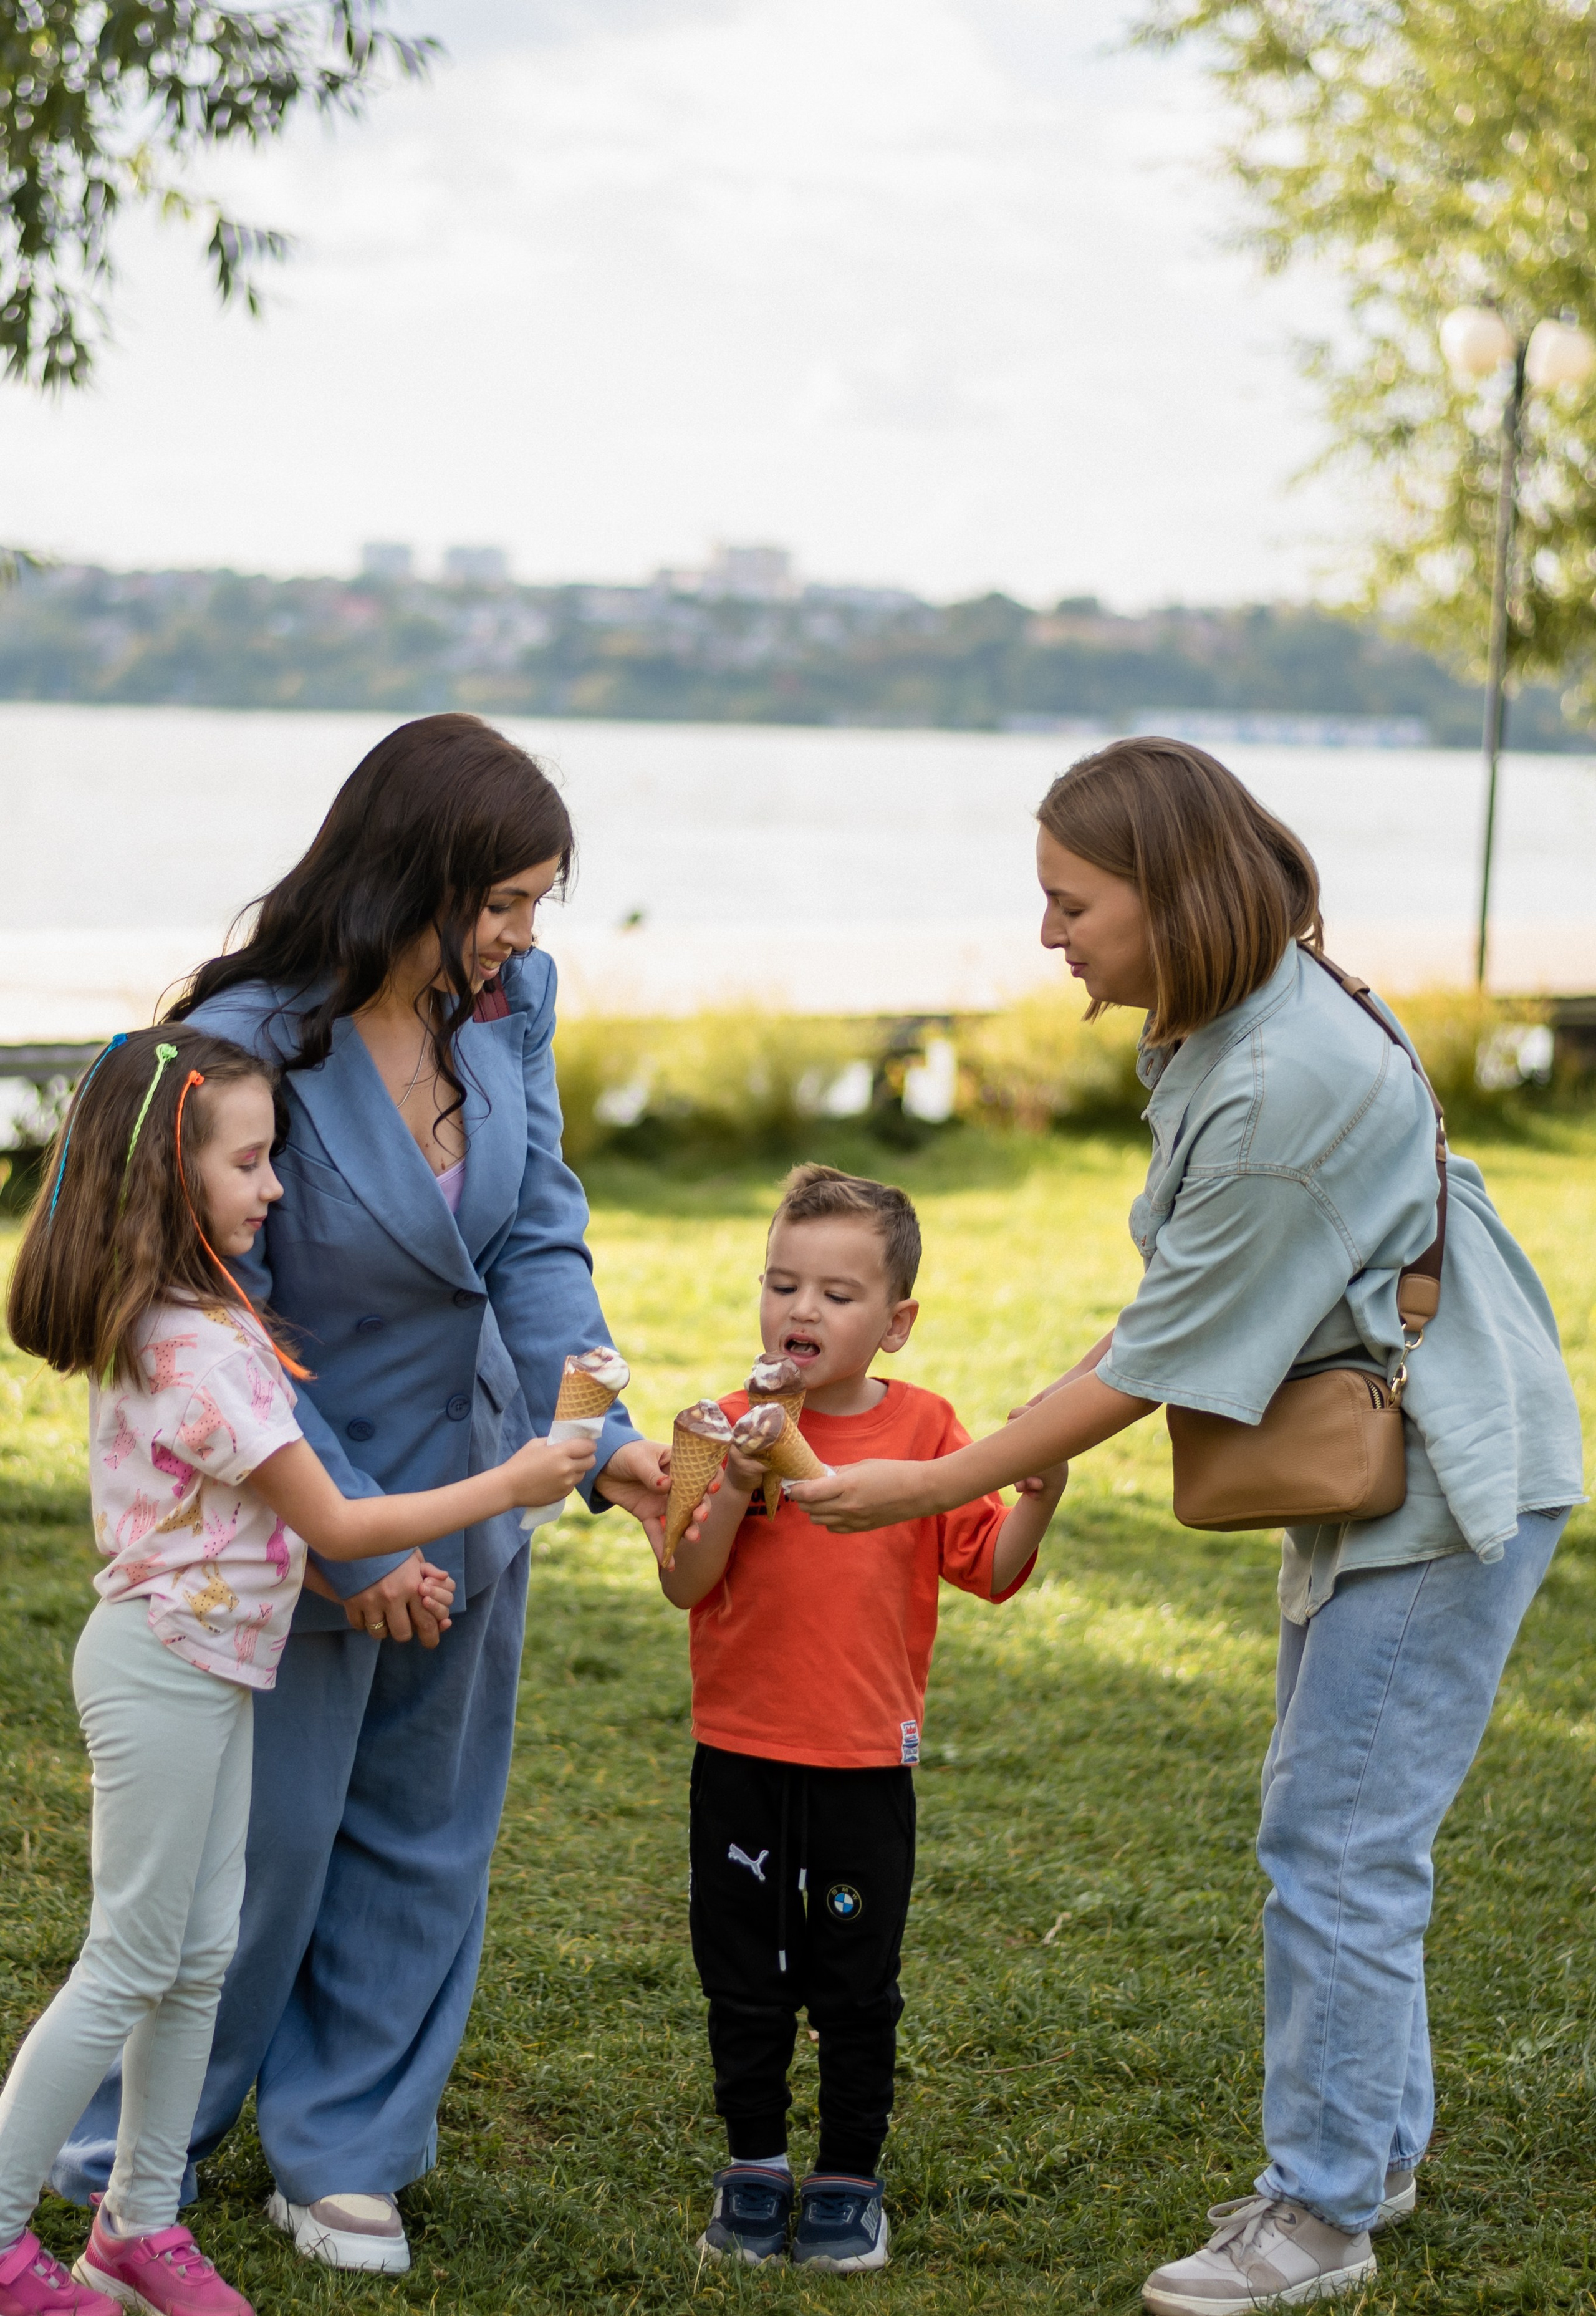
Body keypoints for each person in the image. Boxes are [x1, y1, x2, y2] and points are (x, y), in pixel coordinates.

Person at [789, 740, 1584, 2312]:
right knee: (1339, 1828)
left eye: (1070, 903)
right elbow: (1186, 1303)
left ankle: (1321, 2215)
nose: (1046, 934)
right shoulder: (1255, 1013)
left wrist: (934, 1484)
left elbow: (1162, 1358)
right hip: (1397, 1453)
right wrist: (1008, 1433)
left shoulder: (1280, 1079)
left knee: (1335, 1839)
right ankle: (1369, 2148)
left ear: (1171, 894)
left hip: (1441, 1477)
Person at [52, 716, 671, 2276]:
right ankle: (146, 2147)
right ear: (411, 877)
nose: (522, 935)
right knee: (255, 1857)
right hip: (290, 1503)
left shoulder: (510, 1006)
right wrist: (342, 1543)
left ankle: (345, 2154)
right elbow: (209, 1303)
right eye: (501, 902)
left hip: (482, 1484)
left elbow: (534, 1236)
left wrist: (599, 1439)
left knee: (422, 1839)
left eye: (537, 903)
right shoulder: (246, 1042)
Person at [1, 1026, 597, 2316]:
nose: (275, 1187)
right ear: (172, 1176)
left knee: (199, 1956)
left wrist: (372, 1577)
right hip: (163, 1674)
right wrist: (511, 1482)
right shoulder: (201, 1350)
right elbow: (330, 1516)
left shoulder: (208, 1321)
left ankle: (137, 2230)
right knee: (129, 1961)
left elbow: (259, 1531)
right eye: (252, 1162)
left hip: (213, 1668)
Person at [660, 1164, 1065, 2272]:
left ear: (896, 1322)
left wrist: (1040, 1497)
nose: (802, 1309)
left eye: (837, 1295)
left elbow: (991, 1567)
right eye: (782, 1283)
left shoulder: (928, 1430)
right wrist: (735, 1479)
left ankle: (847, 2176)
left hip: (863, 1763)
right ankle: (753, 2164)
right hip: (740, 1755)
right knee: (743, 1975)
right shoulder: (725, 1423)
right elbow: (685, 1582)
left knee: (853, 1979)